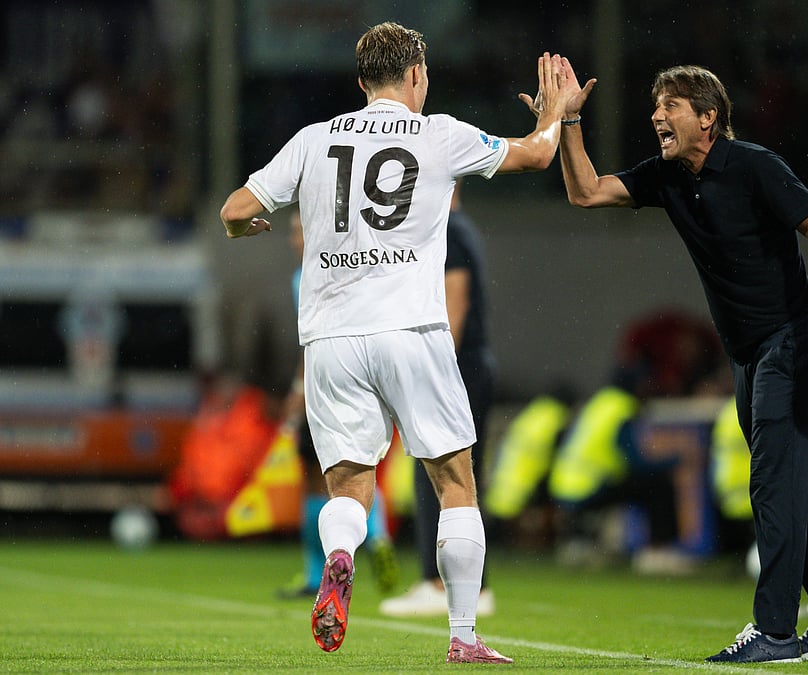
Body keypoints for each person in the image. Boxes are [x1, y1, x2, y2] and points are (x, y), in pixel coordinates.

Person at [220, 22, 575, 664]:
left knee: (349, 487)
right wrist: (554, 113)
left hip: (330, 339)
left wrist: (249, 231)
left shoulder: (313, 140)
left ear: (361, 82)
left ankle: (336, 559)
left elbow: (236, 210)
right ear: (417, 75)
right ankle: (464, 635)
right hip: (411, 328)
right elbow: (537, 154)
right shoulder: (440, 134)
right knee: (455, 483)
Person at [552, 60, 808, 663]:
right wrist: (570, 120)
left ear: (709, 118)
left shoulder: (754, 164)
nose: (657, 116)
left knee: (772, 480)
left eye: (671, 106)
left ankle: (775, 631)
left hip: (795, 338)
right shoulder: (669, 176)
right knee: (793, 478)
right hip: (748, 353)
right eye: (656, 107)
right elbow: (585, 192)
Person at [380, 180, 499, 617]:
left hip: (456, 367)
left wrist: (431, 370)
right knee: (457, 475)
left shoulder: (447, 227)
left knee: (441, 473)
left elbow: (455, 304)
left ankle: (440, 581)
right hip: (468, 366)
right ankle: (467, 584)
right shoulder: (459, 227)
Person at [276, 209, 398, 600]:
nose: (296, 240)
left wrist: (298, 391)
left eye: (301, 231)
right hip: (365, 380)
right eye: (293, 232)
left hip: (325, 385)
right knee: (359, 469)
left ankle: (318, 570)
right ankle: (378, 538)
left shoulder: (305, 279)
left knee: (318, 480)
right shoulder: (353, 268)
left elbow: (312, 345)